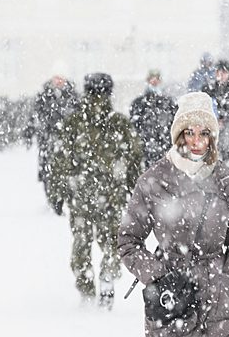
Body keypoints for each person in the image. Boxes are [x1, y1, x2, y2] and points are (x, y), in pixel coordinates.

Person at [118, 91, 229, 336]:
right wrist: (156, 275)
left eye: (204, 133)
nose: (196, 141)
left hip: (219, 305)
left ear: (212, 137)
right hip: (172, 300)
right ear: (178, 134)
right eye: (189, 132)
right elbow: (128, 241)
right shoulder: (154, 180)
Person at [49, 73, 143, 309]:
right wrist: (137, 192)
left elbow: (60, 160)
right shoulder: (118, 123)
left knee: (82, 243)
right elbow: (134, 160)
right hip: (111, 197)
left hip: (83, 196)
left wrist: (58, 193)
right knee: (111, 243)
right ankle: (107, 280)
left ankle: (87, 286)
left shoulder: (74, 122)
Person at [25, 75, 79, 213]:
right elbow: (34, 115)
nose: (59, 82)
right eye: (56, 79)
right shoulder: (44, 96)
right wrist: (29, 132)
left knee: (67, 170)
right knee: (47, 171)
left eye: (61, 79)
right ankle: (53, 199)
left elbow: (78, 115)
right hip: (47, 138)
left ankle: (63, 198)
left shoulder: (72, 96)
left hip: (67, 141)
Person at [130, 69, 177, 170]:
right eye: (152, 79)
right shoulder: (139, 103)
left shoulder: (169, 103)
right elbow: (134, 124)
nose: (154, 82)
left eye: (157, 79)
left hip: (165, 146)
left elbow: (174, 123)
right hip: (147, 147)